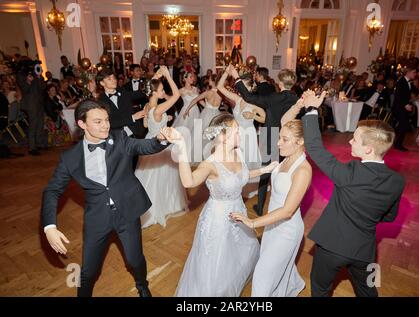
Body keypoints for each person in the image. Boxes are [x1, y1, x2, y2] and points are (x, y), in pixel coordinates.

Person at [41, 99, 171, 297]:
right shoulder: (70, 158)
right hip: (97, 218)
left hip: (127, 212)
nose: (106, 125)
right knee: (88, 270)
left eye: (107, 120)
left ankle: (142, 286)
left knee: (135, 259)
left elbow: (144, 146)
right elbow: (52, 191)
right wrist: (49, 227)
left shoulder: (120, 139)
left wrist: (161, 139)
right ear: (81, 124)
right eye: (98, 121)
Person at [283, 90, 405, 297]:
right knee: (367, 289)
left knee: (320, 290)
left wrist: (312, 109)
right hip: (365, 252)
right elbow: (390, 216)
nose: (350, 142)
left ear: (368, 149)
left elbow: (314, 147)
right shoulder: (397, 181)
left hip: (331, 249)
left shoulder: (349, 173)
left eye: (355, 139)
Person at [163, 113, 277, 296]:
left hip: (238, 210)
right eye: (236, 132)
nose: (241, 135)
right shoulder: (210, 165)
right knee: (216, 262)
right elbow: (189, 181)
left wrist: (265, 170)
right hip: (218, 218)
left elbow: (244, 175)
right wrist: (182, 147)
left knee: (240, 249)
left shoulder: (237, 152)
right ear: (223, 137)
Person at [230, 119, 311, 297]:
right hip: (272, 224)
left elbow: (288, 210)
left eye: (284, 139)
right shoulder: (287, 157)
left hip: (287, 230)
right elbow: (287, 119)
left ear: (300, 141)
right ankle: (291, 284)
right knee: (274, 267)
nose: (278, 143)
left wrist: (253, 222)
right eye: (279, 137)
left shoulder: (303, 170)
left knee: (262, 275)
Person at [228, 64, 298, 216]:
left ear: (280, 83)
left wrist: (236, 77)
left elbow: (249, 97)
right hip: (290, 139)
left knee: (266, 172)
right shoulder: (296, 99)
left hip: (271, 136)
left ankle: (260, 207)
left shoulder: (274, 97)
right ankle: (283, 203)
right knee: (286, 170)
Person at [135, 66, 188, 228]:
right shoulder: (158, 108)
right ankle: (163, 206)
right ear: (155, 92)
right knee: (163, 178)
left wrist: (164, 119)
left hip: (149, 141)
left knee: (150, 178)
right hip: (160, 145)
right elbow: (177, 95)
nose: (163, 91)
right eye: (161, 89)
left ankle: (143, 207)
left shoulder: (147, 107)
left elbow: (146, 123)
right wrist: (168, 75)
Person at [392, 65, 417, 151]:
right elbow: (398, 96)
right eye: (414, 72)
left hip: (403, 107)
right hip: (399, 107)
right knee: (404, 125)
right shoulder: (401, 82)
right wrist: (405, 105)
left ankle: (396, 142)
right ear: (408, 73)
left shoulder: (408, 82)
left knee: (403, 126)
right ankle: (398, 145)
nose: (415, 74)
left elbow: (407, 94)